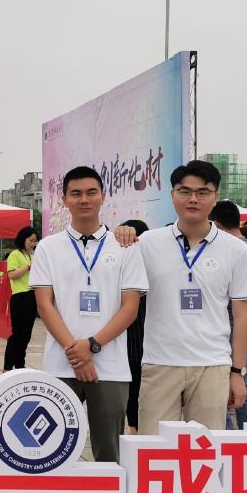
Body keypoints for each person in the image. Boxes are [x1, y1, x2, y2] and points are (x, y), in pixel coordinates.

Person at [31, 167, 147, 463]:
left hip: (110, 367)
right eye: (76, 193)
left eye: (91, 192)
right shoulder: (48, 247)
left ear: (103, 196)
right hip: (61, 364)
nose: (84, 199)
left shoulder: (125, 246)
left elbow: (130, 308)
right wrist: (77, 354)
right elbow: (45, 305)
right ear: (64, 199)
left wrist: (92, 345)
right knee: (50, 450)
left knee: (109, 453)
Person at [135, 160, 247, 434]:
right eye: (185, 191)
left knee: (205, 449)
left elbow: (243, 316)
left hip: (212, 365)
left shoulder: (236, 250)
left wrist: (237, 372)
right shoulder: (147, 243)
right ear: (172, 195)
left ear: (215, 197)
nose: (193, 199)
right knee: (154, 448)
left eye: (203, 192)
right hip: (160, 362)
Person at [210, 201, 247, 429]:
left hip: (236, 325)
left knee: (230, 381)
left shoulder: (234, 247)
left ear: (217, 224)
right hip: (246, 323)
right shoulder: (246, 245)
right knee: (240, 380)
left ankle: (235, 433)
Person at [119, 219, 149, 433]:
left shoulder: (147, 264)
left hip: (139, 339)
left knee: (135, 386)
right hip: (129, 338)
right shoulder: (122, 263)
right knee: (133, 386)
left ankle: (134, 429)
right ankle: (133, 428)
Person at [3, 226, 38, 371]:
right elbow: (12, 275)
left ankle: (20, 365)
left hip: (32, 296)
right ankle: (7, 366)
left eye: (35, 241)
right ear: (23, 239)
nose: (33, 244)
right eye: (30, 240)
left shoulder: (33, 256)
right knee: (17, 334)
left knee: (26, 334)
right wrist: (29, 266)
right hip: (19, 297)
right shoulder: (15, 255)